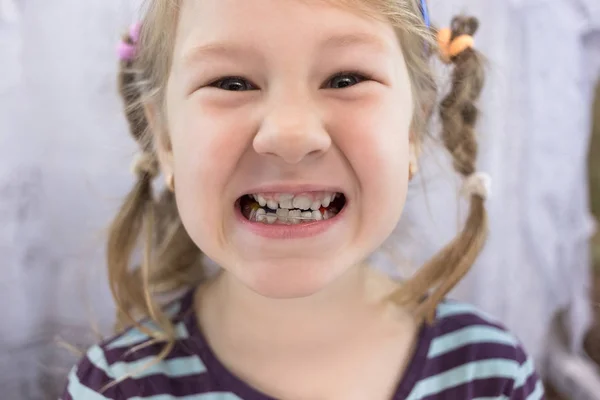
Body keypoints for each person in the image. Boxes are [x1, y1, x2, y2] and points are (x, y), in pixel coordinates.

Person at [62, 0, 545, 398]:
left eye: (345, 79)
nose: (289, 136)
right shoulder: (111, 387)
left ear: (413, 131)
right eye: (231, 83)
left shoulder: (492, 374)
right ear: (166, 142)